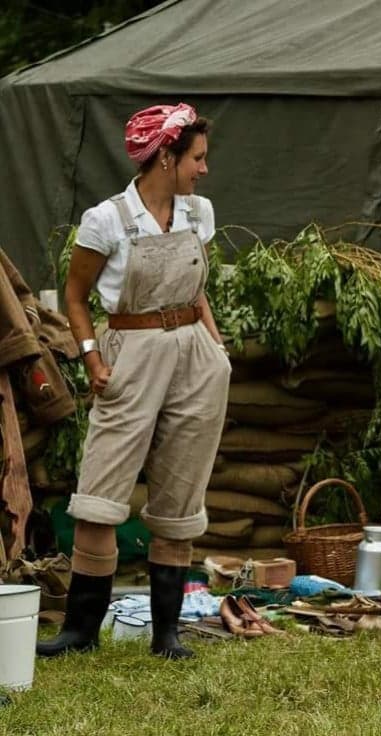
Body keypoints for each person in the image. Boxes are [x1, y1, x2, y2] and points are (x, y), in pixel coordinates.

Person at [36, 102, 231, 659]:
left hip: (193, 350)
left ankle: (167, 636)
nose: (204, 168)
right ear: (165, 158)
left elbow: (197, 289)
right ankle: (80, 633)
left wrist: (215, 348)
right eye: (197, 158)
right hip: (131, 350)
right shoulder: (106, 220)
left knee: (181, 493)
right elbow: (74, 298)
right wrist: (93, 361)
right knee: (100, 491)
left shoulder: (199, 213)